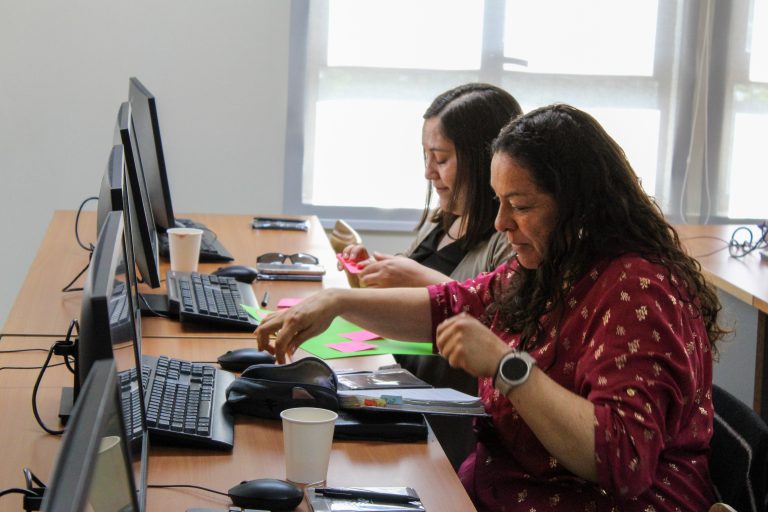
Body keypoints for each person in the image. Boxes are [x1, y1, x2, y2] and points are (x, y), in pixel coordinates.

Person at [257, 104, 727, 511]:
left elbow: (619, 460)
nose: (502, 222)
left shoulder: (638, 290)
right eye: (500, 202)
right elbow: (449, 306)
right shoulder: (551, 264)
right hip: (500, 490)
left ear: (579, 207)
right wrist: (338, 301)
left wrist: (508, 367)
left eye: (520, 205)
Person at [340, 83, 522, 469]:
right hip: (394, 396)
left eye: (440, 158)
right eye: (426, 156)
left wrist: (416, 277)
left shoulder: (509, 241)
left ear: (482, 158)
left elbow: (501, 328)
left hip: (442, 431)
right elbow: (403, 295)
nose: (428, 173)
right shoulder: (445, 219)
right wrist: (370, 271)